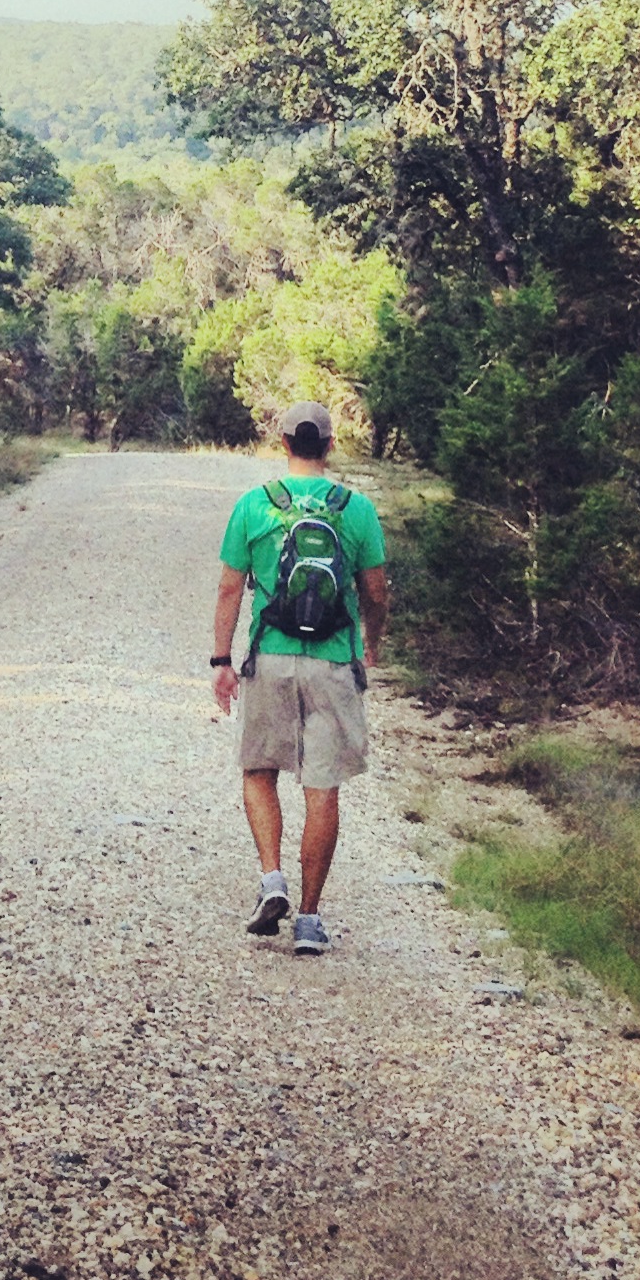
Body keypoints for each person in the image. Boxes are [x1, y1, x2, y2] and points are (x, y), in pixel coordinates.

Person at [209, 400, 389, 956]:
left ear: (283, 443)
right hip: (332, 663)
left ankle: (272, 880)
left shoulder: (254, 504)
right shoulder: (357, 509)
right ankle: (309, 921)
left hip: (271, 655)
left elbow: (229, 589)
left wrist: (221, 661)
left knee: (258, 770)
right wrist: (371, 644)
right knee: (321, 786)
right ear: (330, 445)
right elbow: (376, 591)